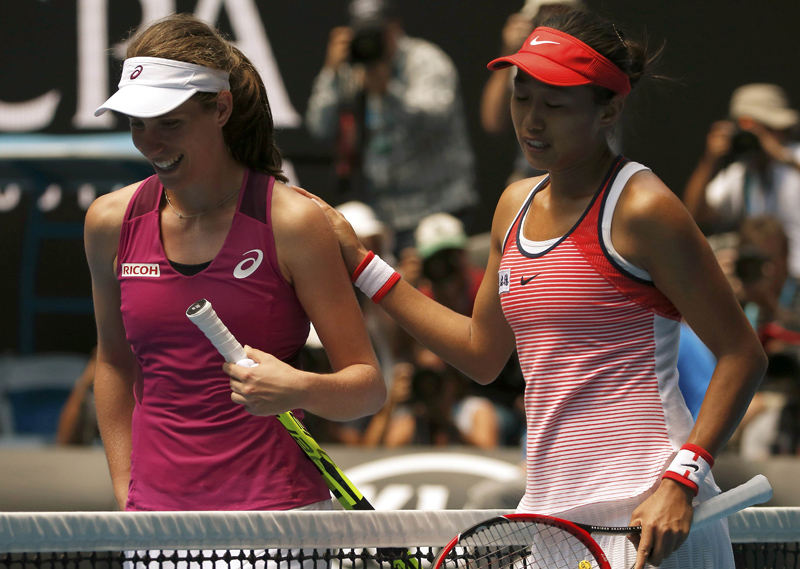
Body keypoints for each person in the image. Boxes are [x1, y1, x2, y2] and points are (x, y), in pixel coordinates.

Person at [296, 8, 767, 569]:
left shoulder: (643, 208)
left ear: (608, 109)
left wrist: (684, 479)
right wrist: (365, 265)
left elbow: (742, 354)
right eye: (523, 98)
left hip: (650, 511)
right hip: (551, 515)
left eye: (555, 105)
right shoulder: (511, 207)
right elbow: (481, 355)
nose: (531, 122)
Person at [84, 14, 385, 513]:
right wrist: (127, 490)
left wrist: (299, 389)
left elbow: (367, 386)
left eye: (170, 124)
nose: (150, 143)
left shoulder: (291, 221)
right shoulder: (109, 222)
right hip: (155, 523)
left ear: (220, 108)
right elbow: (114, 363)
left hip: (279, 520)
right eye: (137, 124)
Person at [305, 0, 479, 252]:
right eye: (364, 31)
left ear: (395, 27)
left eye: (377, 31)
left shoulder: (425, 60)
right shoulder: (351, 67)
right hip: (385, 218)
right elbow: (319, 127)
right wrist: (330, 74)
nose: (371, 39)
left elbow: (437, 118)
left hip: (439, 208)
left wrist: (389, 93)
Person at [682, 83, 800, 307]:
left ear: (779, 128)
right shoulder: (741, 174)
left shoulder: (794, 157)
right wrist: (710, 160)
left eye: (762, 128)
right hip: (761, 287)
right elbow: (695, 215)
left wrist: (781, 155)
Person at [481, 0, 583, 185]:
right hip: (532, 178)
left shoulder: (593, 61)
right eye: (522, 98)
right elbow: (493, 122)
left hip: (584, 177)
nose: (532, 123)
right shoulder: (527, 60)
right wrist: (510, 52)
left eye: (561, 15)